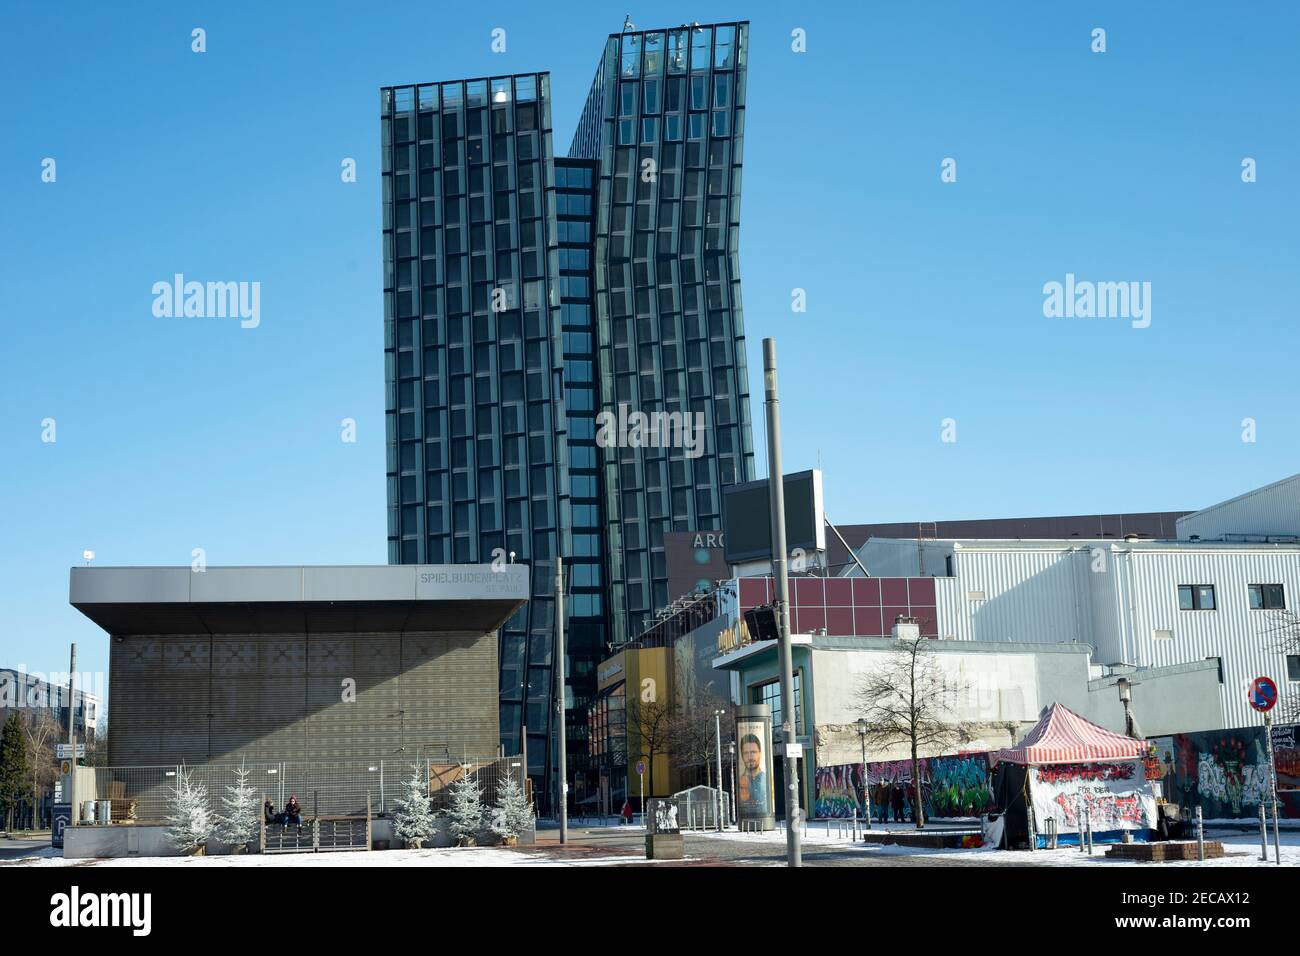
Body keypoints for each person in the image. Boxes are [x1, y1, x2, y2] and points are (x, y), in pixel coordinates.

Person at [736, 733, 769, 818]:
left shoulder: (767, 779)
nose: (750, 757)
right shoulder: (740, 781)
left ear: (760, 754)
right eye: (746, 753)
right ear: (742, 756)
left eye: (753, 752)